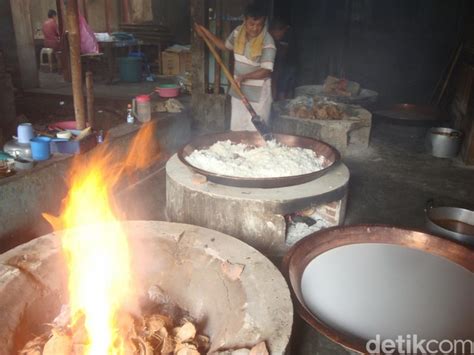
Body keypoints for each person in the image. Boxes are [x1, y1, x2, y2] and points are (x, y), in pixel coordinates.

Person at [195, 3, 276, 131]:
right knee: (237, 129)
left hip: (258, 94)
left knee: (256, 133)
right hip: (239, 90)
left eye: (259, 25)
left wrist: (244, 77)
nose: (255, 28)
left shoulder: (268, 41)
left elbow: (266, 70)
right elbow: (224, 46)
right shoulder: (238, 32)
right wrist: (205, 33)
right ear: (245, 20)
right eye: (251, 24)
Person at [269, 17, 297, 100]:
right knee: (275, 86)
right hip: (275, 67)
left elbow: (282, 55)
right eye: (280, 32)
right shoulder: (269, 39)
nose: (280, 34)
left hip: (285, 65)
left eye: (282, 32)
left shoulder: (286, 38)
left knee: (283, 87)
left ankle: (282, 102)